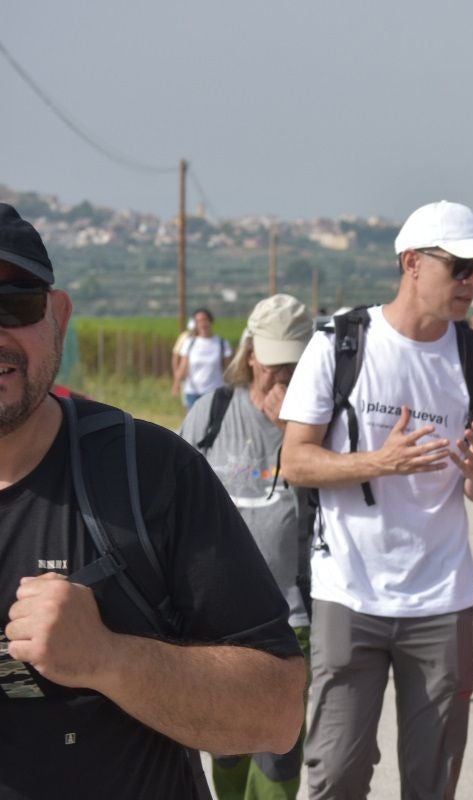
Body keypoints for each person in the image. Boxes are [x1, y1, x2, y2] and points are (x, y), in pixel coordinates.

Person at [0, 205, 305, 798]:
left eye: (14, 304)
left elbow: (277, 711)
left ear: (58, 317)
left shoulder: (148, 472)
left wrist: (108, 658)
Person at [278, 200, 473, 800]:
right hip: (349, 590)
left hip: (441, 598)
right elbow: (295, 460)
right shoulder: (341, 343)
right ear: (411, 262)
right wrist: (378, 462)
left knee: (431, 782)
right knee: (335, 773)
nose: (471, 283)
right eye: (459, 267)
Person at [179, 293, 314, 800]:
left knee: (279, 760)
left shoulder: (316, 422)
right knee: (229, 753)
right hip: (217, 621)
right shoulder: (212, 412)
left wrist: (293, 432)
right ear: (250, 354)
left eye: (295, 365)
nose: (281, 375)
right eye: (274, 362)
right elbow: (173, 499)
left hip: (291, 616)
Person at [173, 307, 234, 408]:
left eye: (204, 320)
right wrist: (176, 383)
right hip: (193, 392)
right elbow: (183, 366)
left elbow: (228, 369)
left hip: (215, 391)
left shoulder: (222, 343)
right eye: (198, 321)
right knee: (194, 422)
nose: (202, 324)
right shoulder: (189, 343)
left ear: (211, 321)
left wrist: (232, 387)